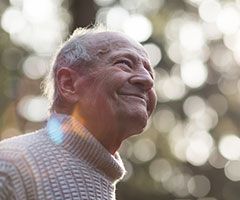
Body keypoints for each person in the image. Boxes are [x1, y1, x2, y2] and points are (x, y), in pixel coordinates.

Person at [0, 26, 157, 200]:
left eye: (149, 72)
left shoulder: (102, 179)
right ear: (68, 83)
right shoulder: (10, 167)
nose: (147, 80)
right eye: (124, 64)